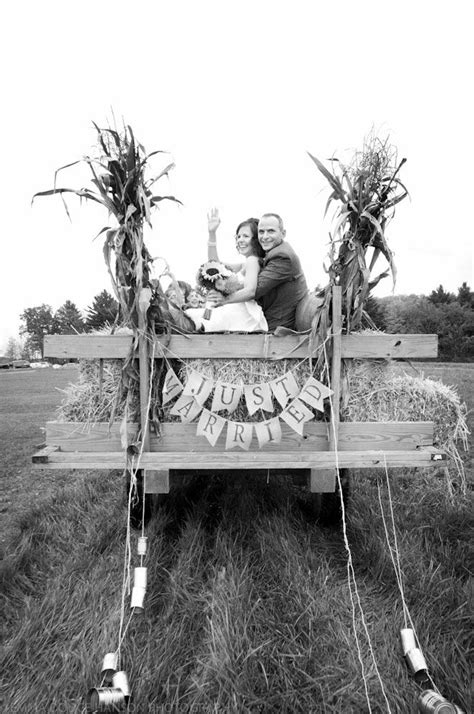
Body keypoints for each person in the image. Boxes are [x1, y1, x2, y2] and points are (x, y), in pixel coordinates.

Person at [185, 209, 268, 332]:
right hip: (235, 310)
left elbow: (250, 291)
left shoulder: (252, 260)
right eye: (238, 236)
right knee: (197, 316)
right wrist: (212, 233)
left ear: (256, 240)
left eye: (246, 236)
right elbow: (215, 265)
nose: (240, 240)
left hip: (242, 314)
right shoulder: (244, 264)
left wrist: (224, 300)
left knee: (191, 316)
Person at [253, 213, 308, 331]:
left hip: (277, 329)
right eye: (261, 232)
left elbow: (254, 290)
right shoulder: (274, 252)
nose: (265, 236)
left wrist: (224, 293)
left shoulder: (282, 256)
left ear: (283, 234)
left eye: (271, 231)